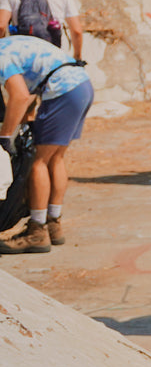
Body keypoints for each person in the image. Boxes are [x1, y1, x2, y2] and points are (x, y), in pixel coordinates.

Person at [0, 35, 92, 253]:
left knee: (38, 162)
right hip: (81, 86)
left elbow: (20, 96)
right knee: (55, 158)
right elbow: (28, 93)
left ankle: (37, 231)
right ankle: (53, 224)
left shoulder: (1, 56)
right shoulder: (10, 44)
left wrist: (5, 136)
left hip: (62, 90)